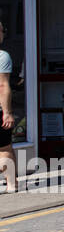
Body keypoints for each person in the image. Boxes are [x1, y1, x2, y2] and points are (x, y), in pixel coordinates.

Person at [0, 19, 15, 192]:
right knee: (4, 148)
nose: (4, 33)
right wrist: (7, 112)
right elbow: (3, 85)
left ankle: (13, 183)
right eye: (3, 30)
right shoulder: (2, 56)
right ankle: (11, 185)